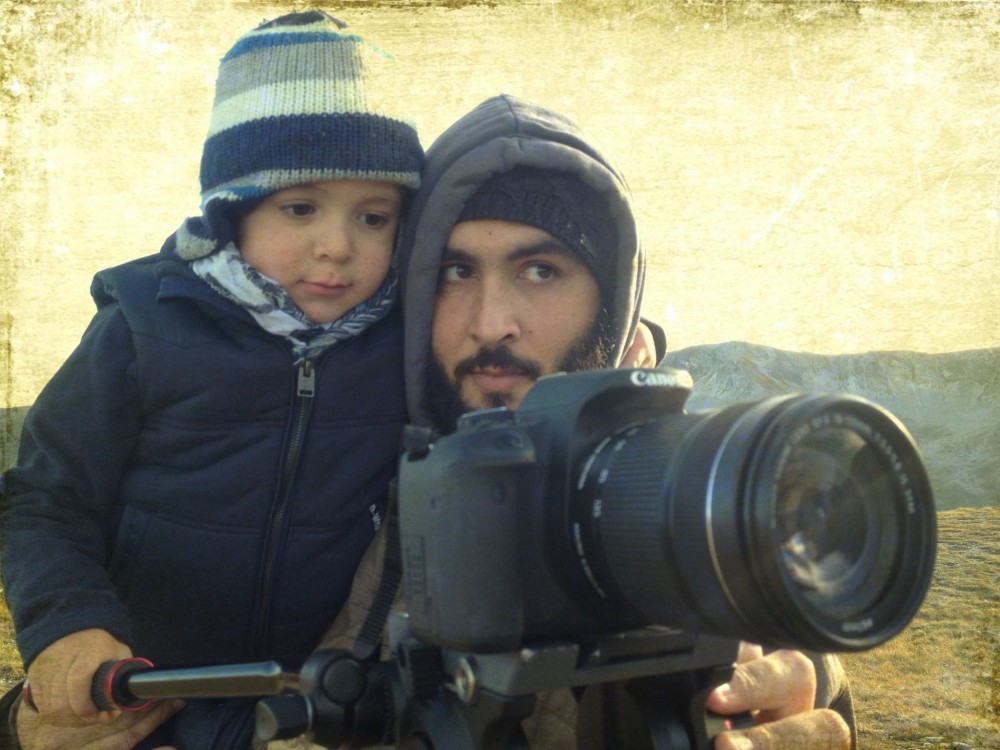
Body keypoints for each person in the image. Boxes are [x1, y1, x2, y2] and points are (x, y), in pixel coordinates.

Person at [289, 94, 857, 750]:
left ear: (611, 305)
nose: (491, 322)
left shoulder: (707, 507)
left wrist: (813, 684)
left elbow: (797, 681)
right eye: (455, 271)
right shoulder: (346, 487)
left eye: (541, 271)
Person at [0, 11, 423, 749]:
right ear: (232, 211)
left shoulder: (403, 346)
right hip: (144, 697)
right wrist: (69, 626)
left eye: (374, 217)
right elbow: (46, 498)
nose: (337, 245)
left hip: (309, 707)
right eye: (300, 207)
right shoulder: (143, 324)